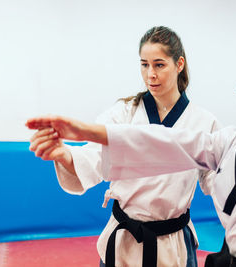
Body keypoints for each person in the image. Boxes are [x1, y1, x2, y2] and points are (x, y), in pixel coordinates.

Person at [27, 41, 236, 267]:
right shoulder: (230, 142)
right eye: (144, 65)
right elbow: (165, 143)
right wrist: (84, 132)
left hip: (181, 244)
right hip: (168, 248)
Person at [27, 26, 220, 267]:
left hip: (173, 246)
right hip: (124, 242)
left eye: (159, 65)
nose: (150, 74)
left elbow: (218, 181)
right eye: (144, 64)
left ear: (179, 64)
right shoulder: (124, 113)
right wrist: (64, 155)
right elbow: (94, 158)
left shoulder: (204, 122)